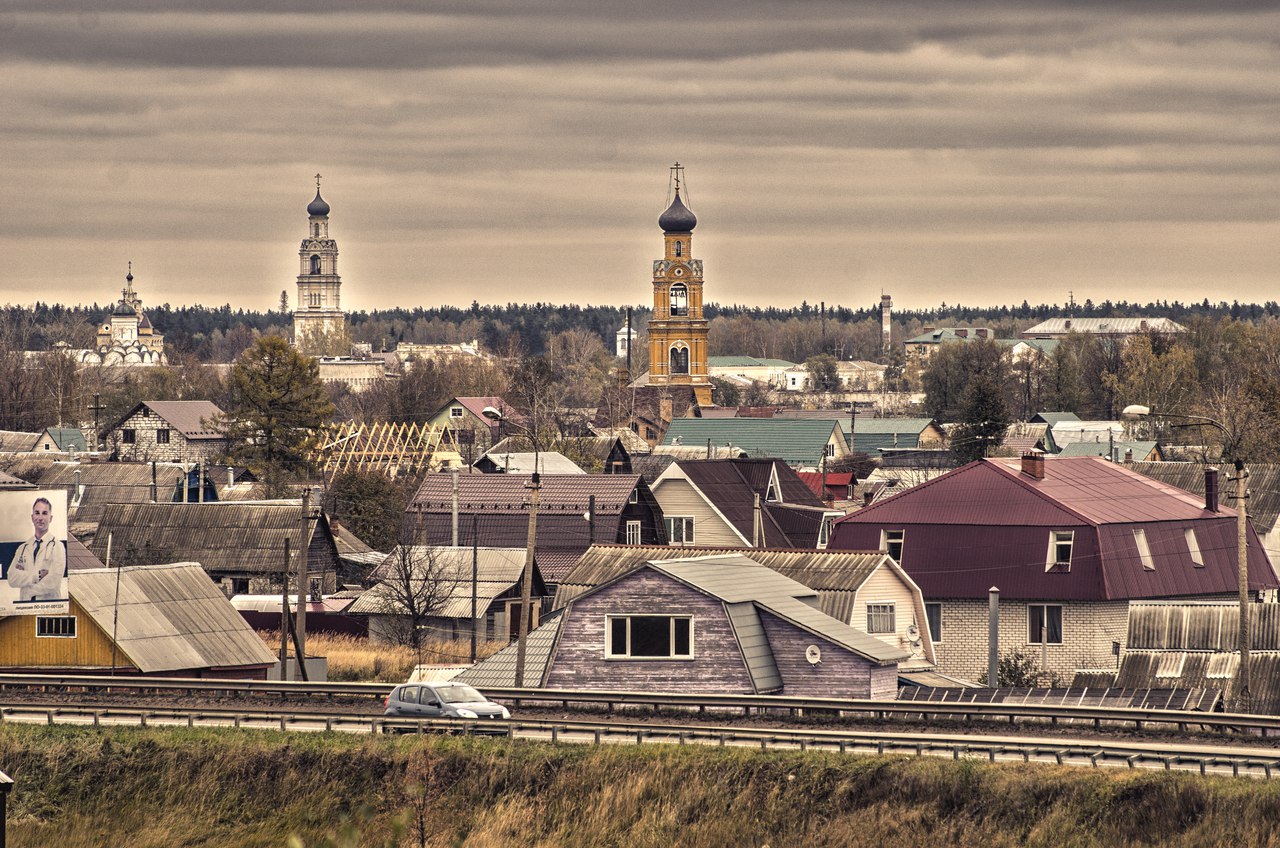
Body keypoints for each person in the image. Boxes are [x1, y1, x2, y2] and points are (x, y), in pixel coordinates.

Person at [8, 497, 66, 602]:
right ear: (32, 517)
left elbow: (54, 582)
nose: (40, 517)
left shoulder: (57, 546)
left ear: (50, 518)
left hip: (48, 607)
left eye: (44, 513)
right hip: (26, 607)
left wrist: (28, 590)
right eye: (37, 513)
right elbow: (12, 578)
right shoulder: (23, 548)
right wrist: (37, 575)